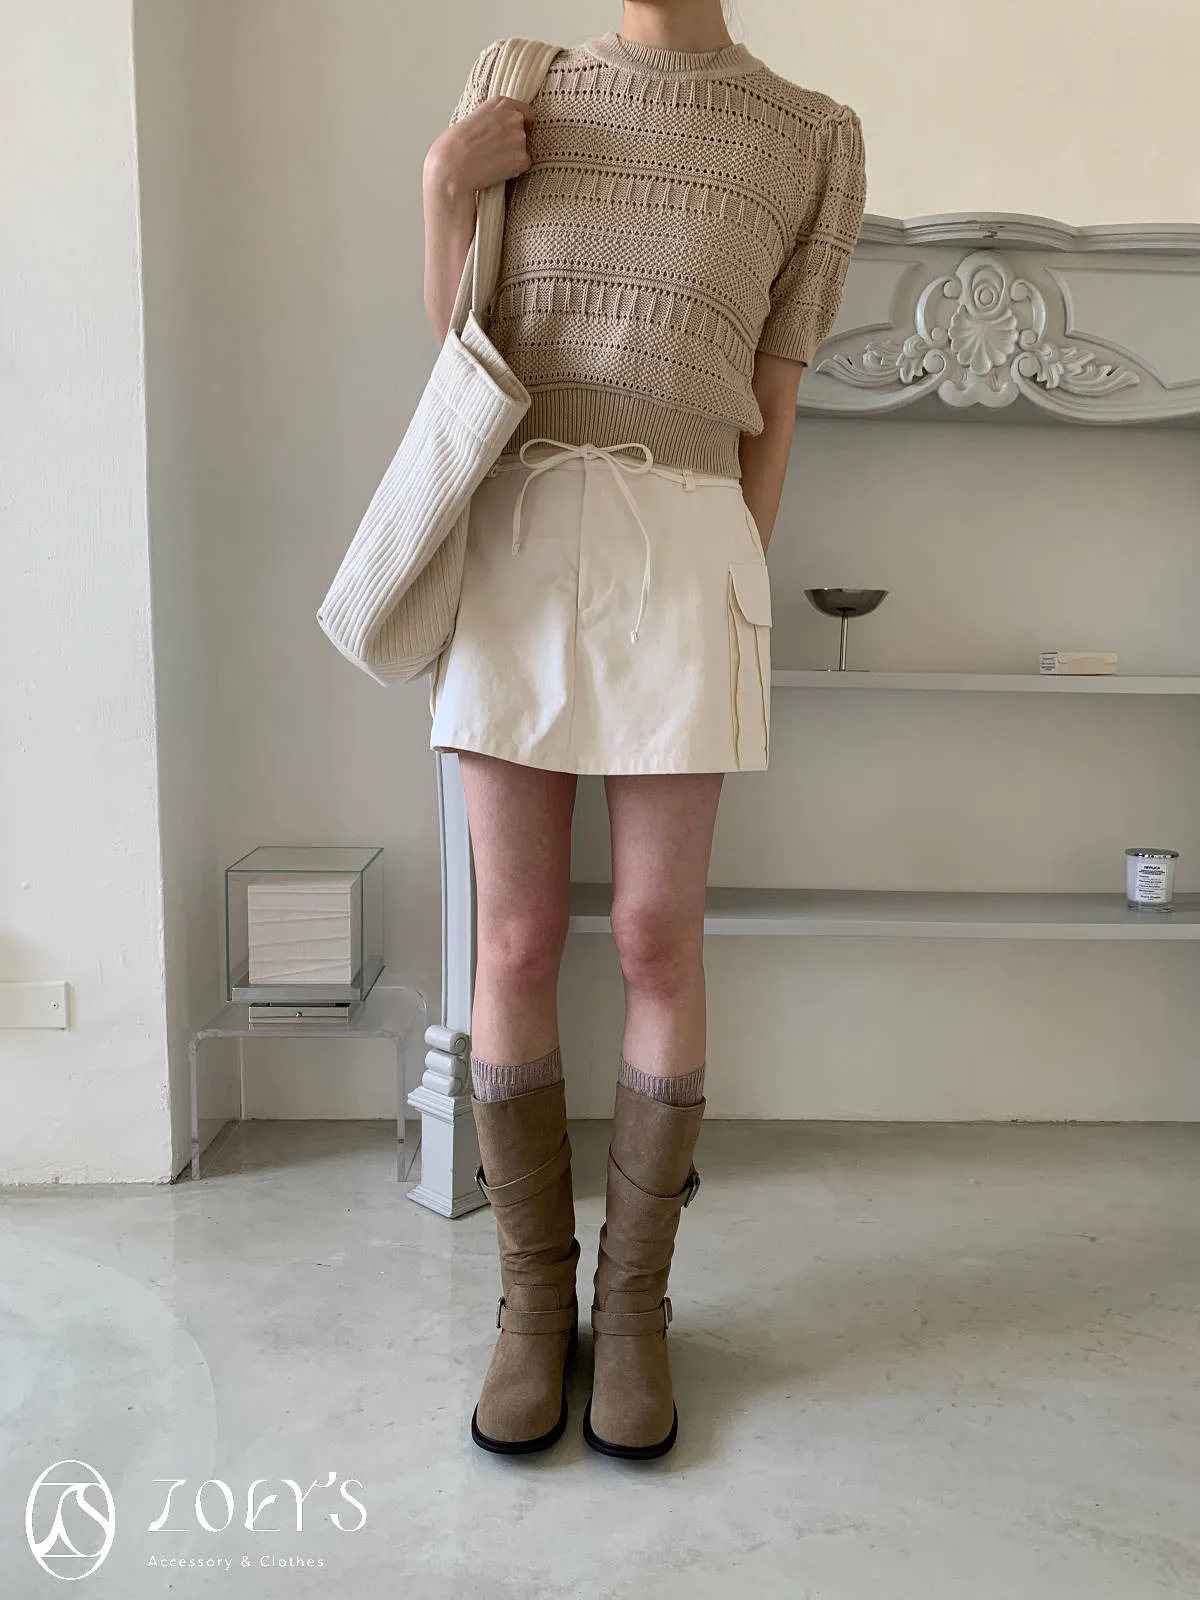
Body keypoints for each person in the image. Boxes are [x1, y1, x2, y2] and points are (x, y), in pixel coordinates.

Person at [420, 0, 866, 1459]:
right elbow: (461, 358)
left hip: (688, 543)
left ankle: (634, 1308)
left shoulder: (811, 139)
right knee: (514, 939)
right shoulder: (520, 84)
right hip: (519, 528)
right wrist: (444, 188)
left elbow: (774, 402)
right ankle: (529, 1305)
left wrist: (733, 580)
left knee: (659, 936)